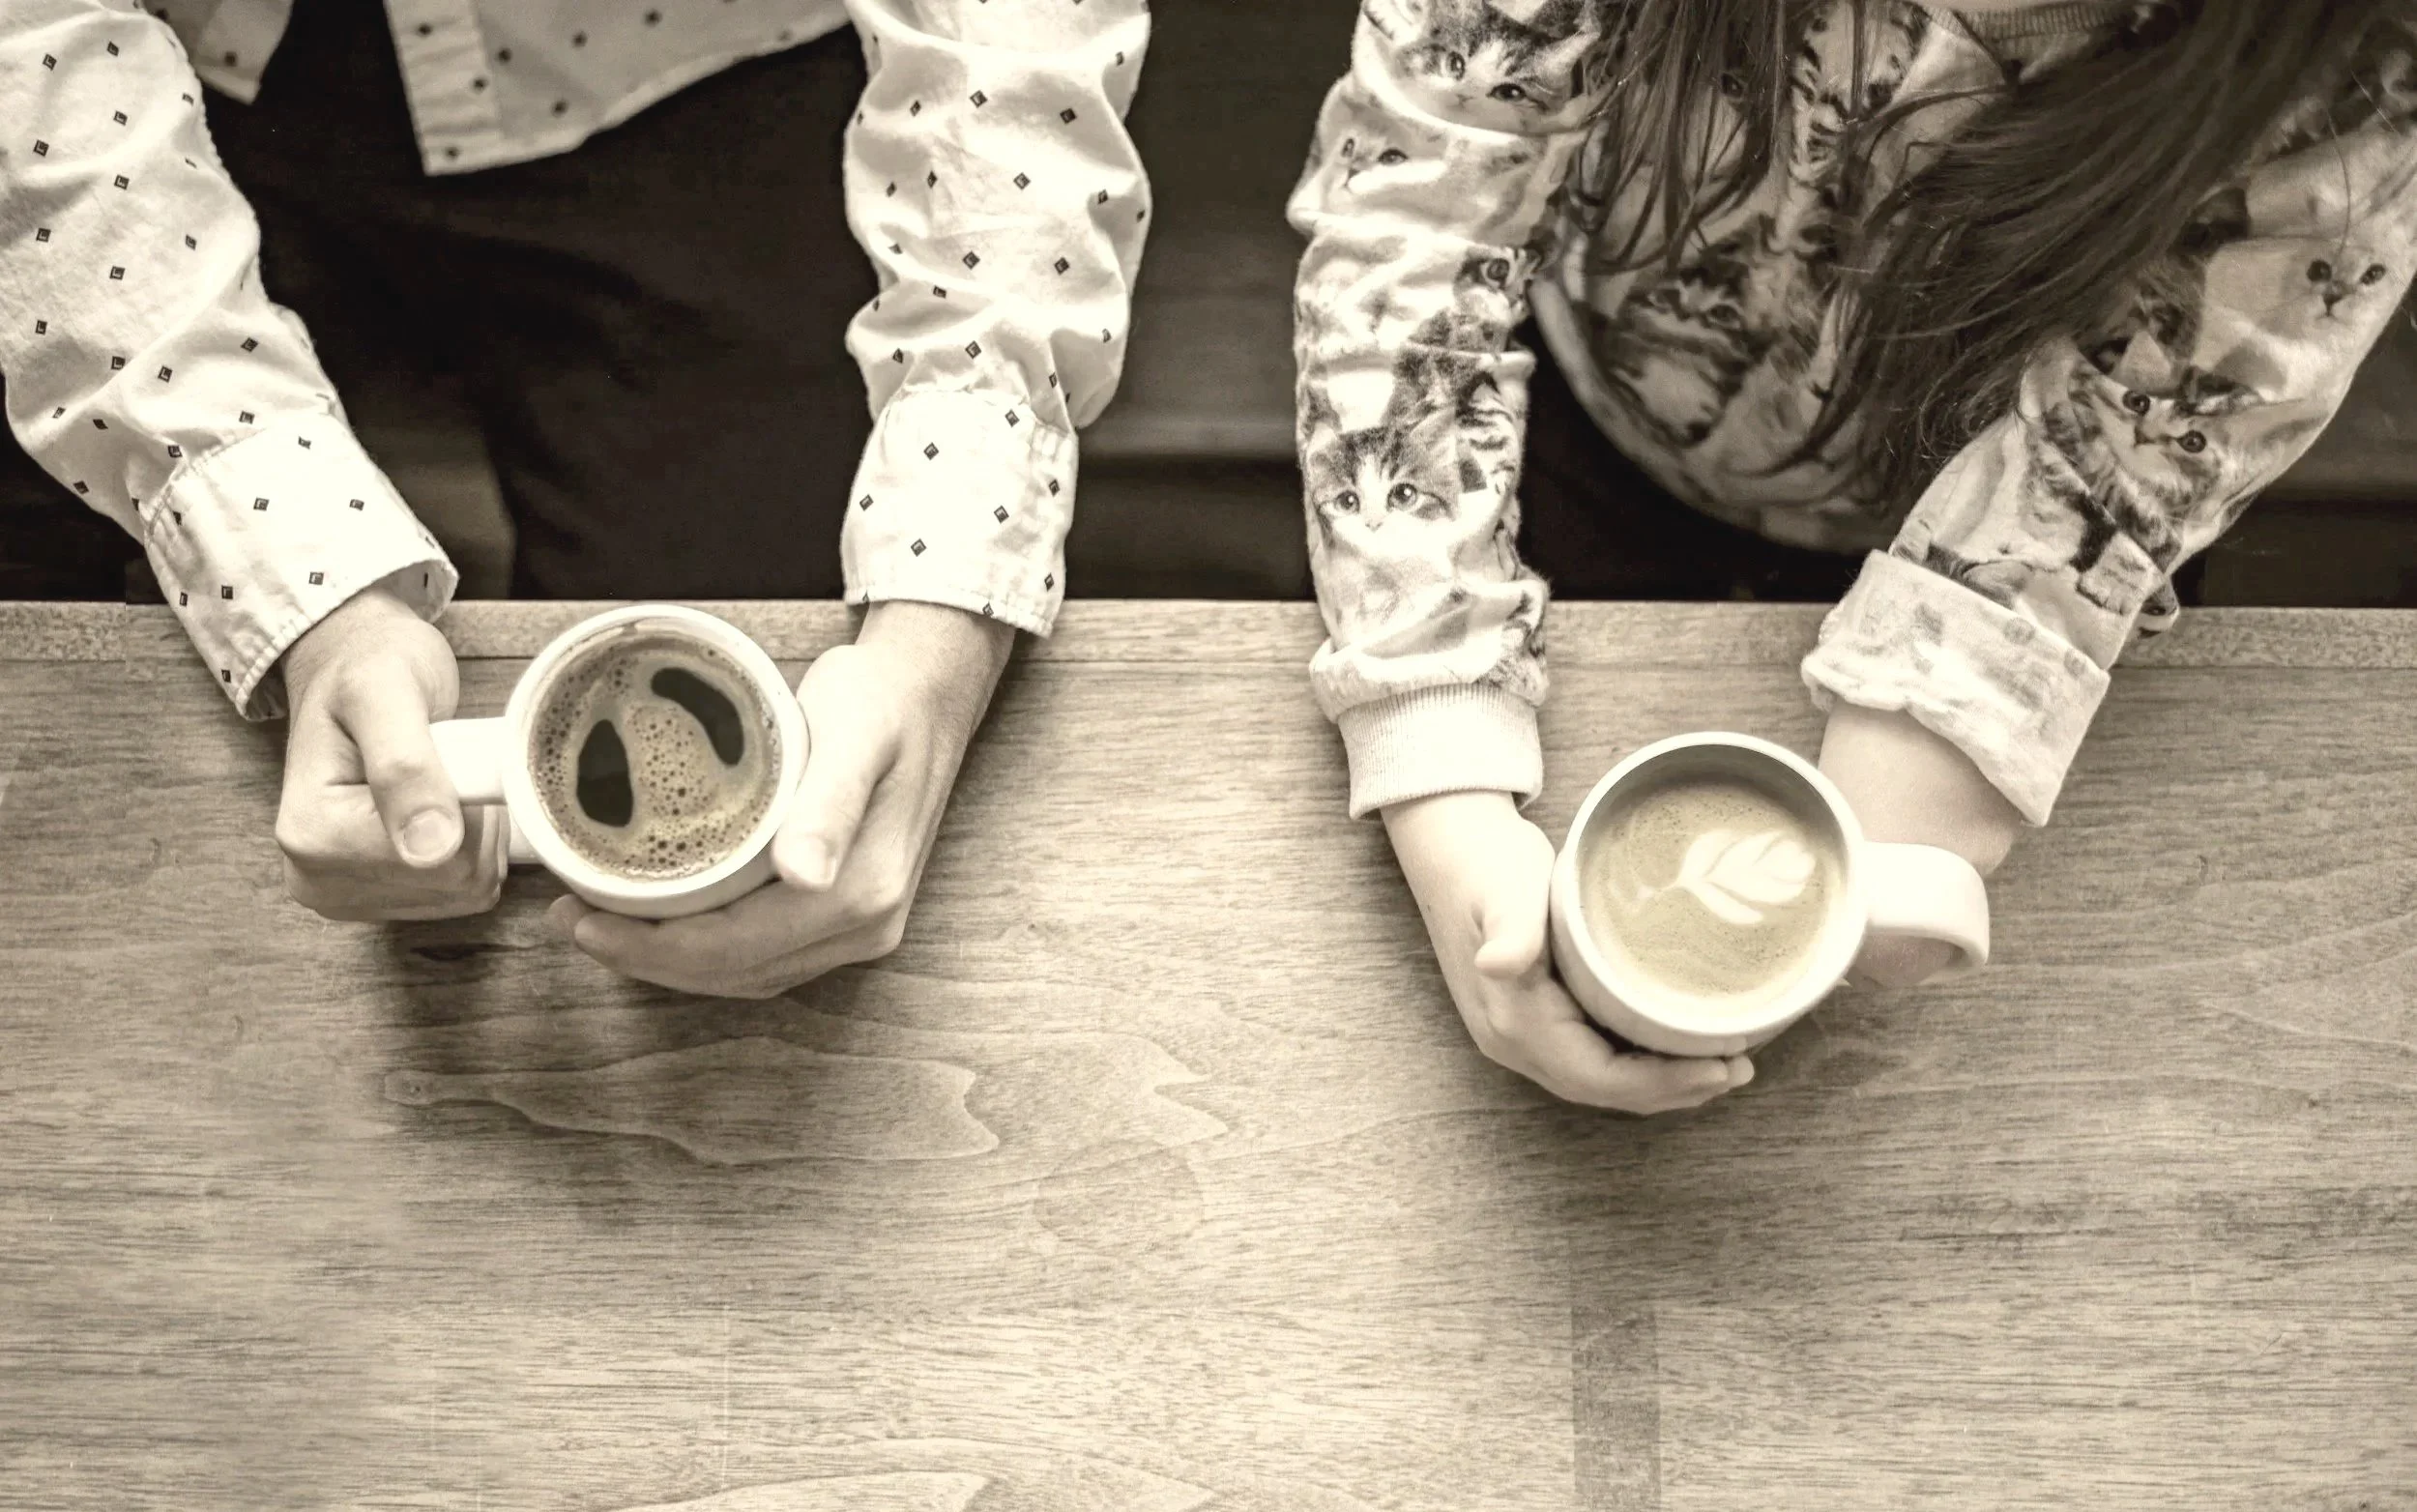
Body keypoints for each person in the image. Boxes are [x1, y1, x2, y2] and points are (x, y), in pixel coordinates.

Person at [1289, 0, 2417, 1111]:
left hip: (2033, 544)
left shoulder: (2355, 75)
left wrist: (1872, 869)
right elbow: (1413, 223)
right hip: (1586, 435)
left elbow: (2103, 474)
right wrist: (1439, 775)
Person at [2, 0, 1151, 997]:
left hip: (694, 75)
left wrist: (938, 626)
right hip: (148, 106)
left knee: (791, 711)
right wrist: (307, 597)